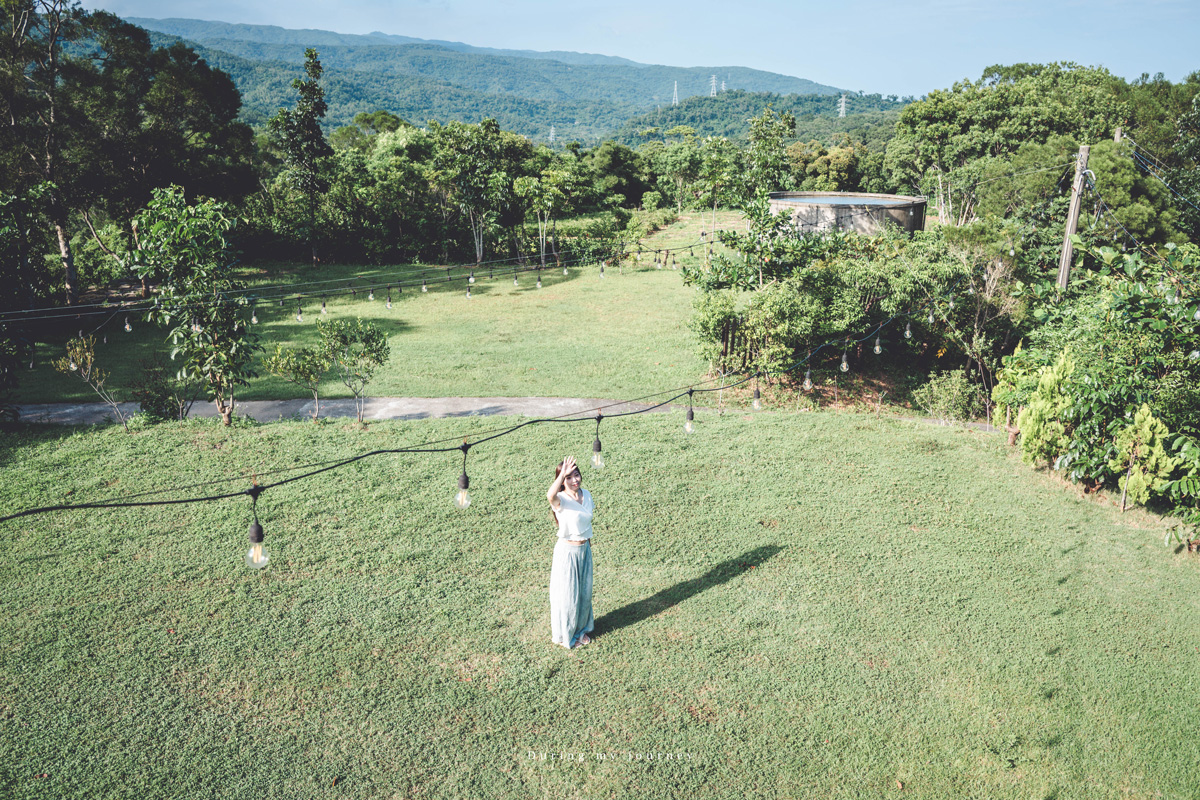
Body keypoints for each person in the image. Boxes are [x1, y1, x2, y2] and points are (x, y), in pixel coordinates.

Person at [546, 455, 594, 649]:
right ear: (563, 481)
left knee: (584, 594)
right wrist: (561, 476)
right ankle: (566, 634)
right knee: (568, 597)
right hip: (567, 553)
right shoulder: (561, 500)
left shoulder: (587, 495)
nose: (574, 480)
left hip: (584, 550)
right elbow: (550, 495)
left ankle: (580, 629)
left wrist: (588, 547)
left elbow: (586, 524)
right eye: (569, 478)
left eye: (576, 475)